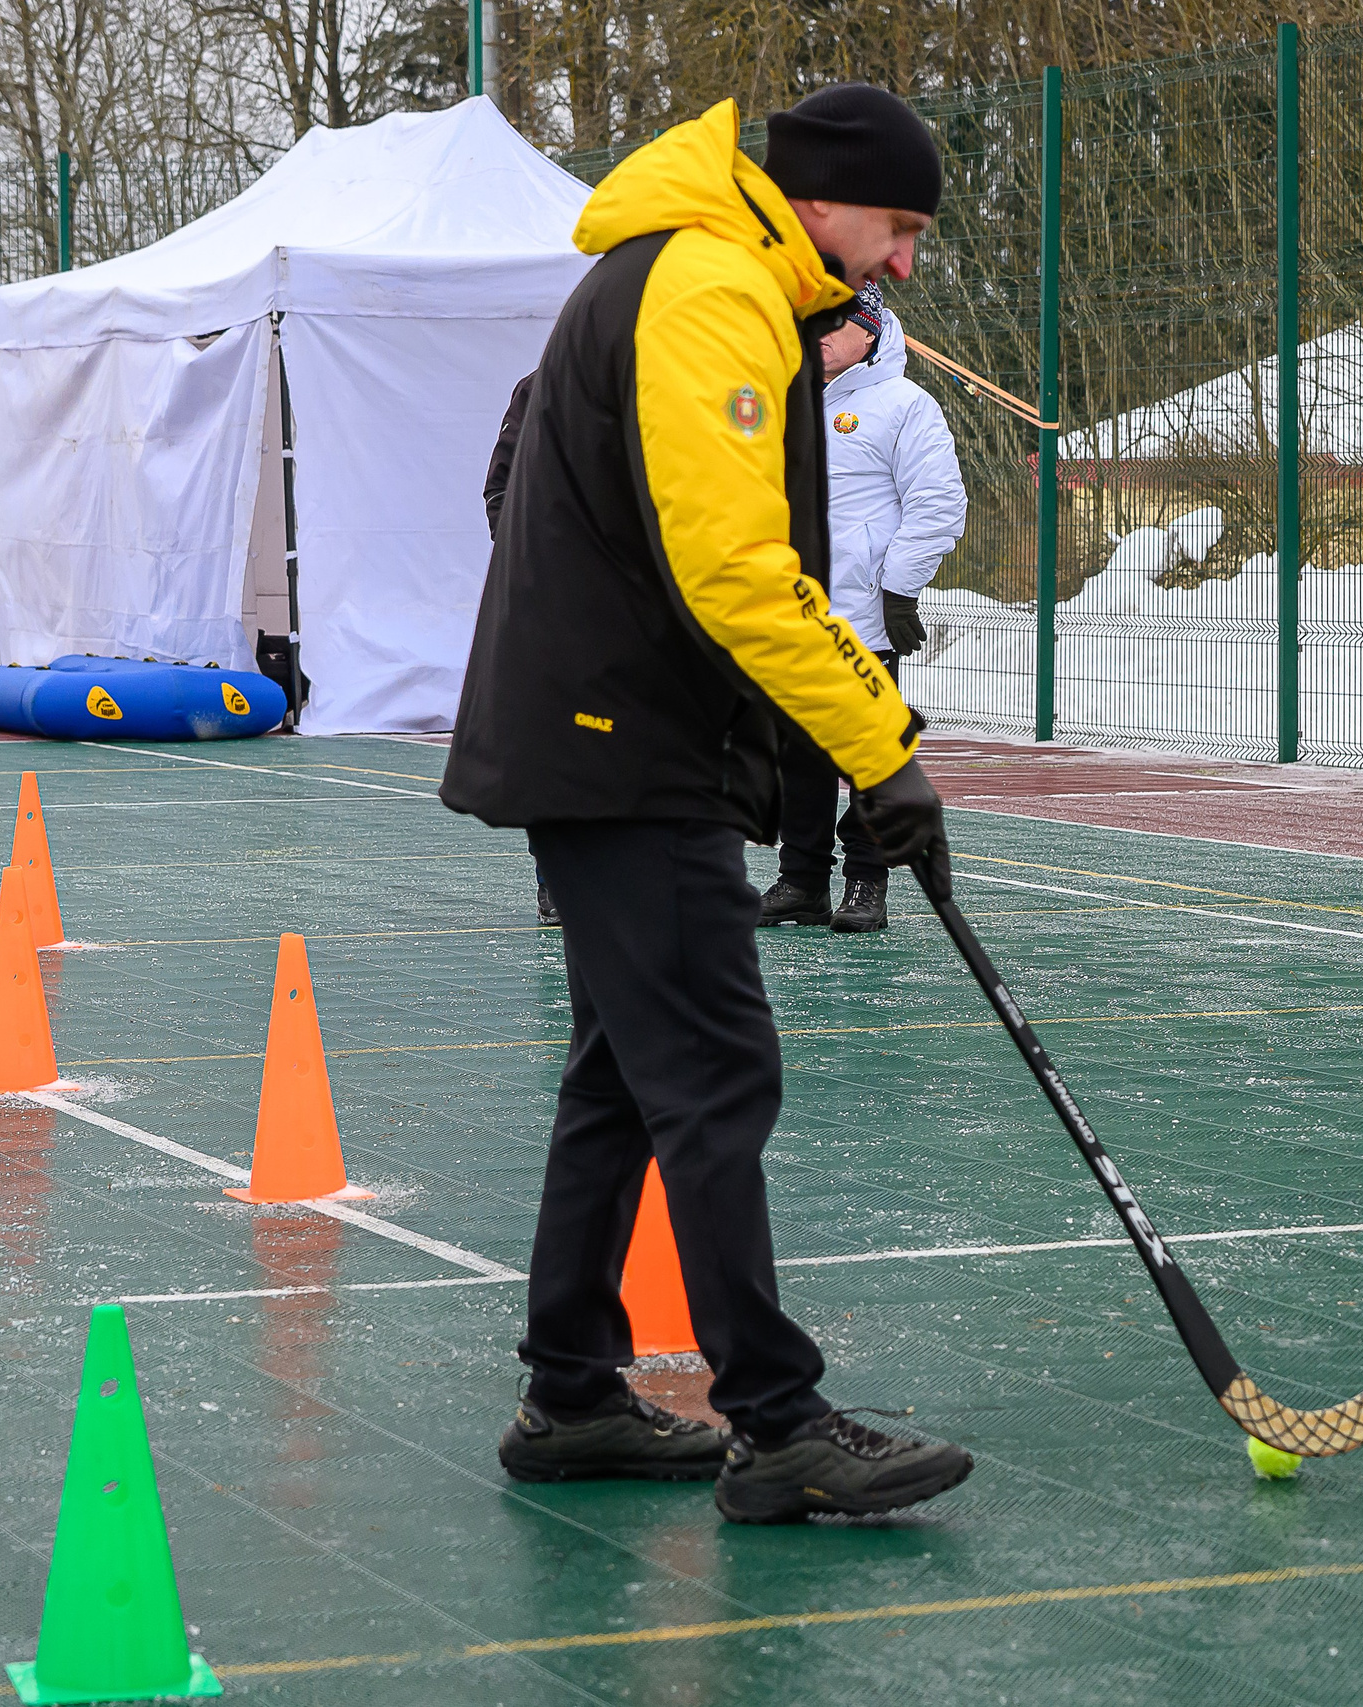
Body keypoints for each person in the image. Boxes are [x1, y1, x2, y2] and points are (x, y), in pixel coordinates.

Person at [438, 83, 975, 1523]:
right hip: (624, 744)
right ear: (819, 198)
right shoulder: (709, 288)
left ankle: (570, 1392)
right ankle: (780, 1420)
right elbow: (733, 566)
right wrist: (881, 747)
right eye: (897, 225)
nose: (904, 261)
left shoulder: (710, 274)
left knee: (624, 1072)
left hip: (609, 731)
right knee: (716, 1071)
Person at [758, 282, 967, 933]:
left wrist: (899, 587)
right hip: (792, 616)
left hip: (862, 622)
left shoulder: (904, 405)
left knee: (868, 756)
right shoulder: (784, 401)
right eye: (811, 321)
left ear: (871, 331)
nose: (819, 333)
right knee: (800, 756)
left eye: (836, 321)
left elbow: (938, 503)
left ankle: (866, 883)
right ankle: (801, 880)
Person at [481, 371, 561, 931]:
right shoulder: (540, 387)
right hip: (557, 602)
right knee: (555, 745)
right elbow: (500, 491)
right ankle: (555, 880)